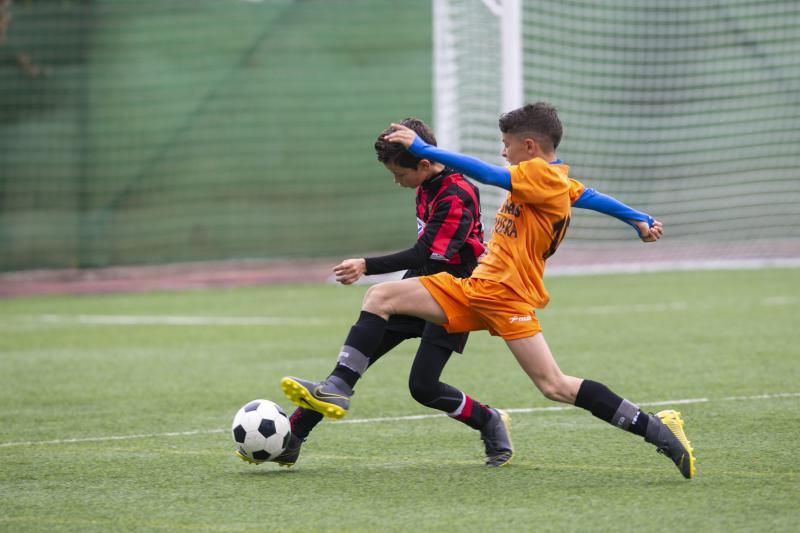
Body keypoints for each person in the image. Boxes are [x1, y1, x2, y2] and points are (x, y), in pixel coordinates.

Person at [276, 107, 684, 474]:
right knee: (553, 384)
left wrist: (425, 148)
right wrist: (638, 218)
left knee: (381, 300)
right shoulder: (555, 180)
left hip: (494, 291)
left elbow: (488, 175)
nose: (503, 153)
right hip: (489, 292)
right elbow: (589, 195)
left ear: (529, 146)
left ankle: (339, 390)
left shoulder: (537, 175)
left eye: (507, 145)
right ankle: (655, 429)